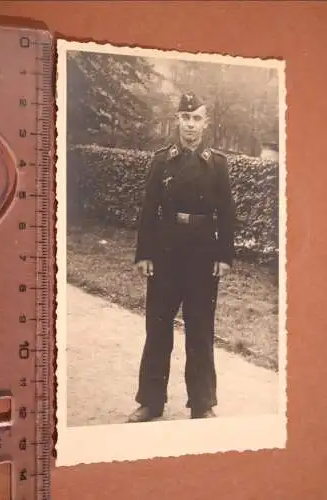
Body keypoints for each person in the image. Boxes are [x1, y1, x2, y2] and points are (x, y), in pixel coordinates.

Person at [128, 92, 235, 423]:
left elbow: (227, 213)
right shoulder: (162, 160)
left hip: (203, 255)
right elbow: (148, 209)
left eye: (197, 118)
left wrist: (224, 255)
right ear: (177, 120)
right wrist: (144, 253)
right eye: (185, 118)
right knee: (158, 327)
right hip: (166, 252)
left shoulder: (217, 163)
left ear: (206, 123)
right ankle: (150, 401)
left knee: (200, 328)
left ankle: (202, 403)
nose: (190, 125)